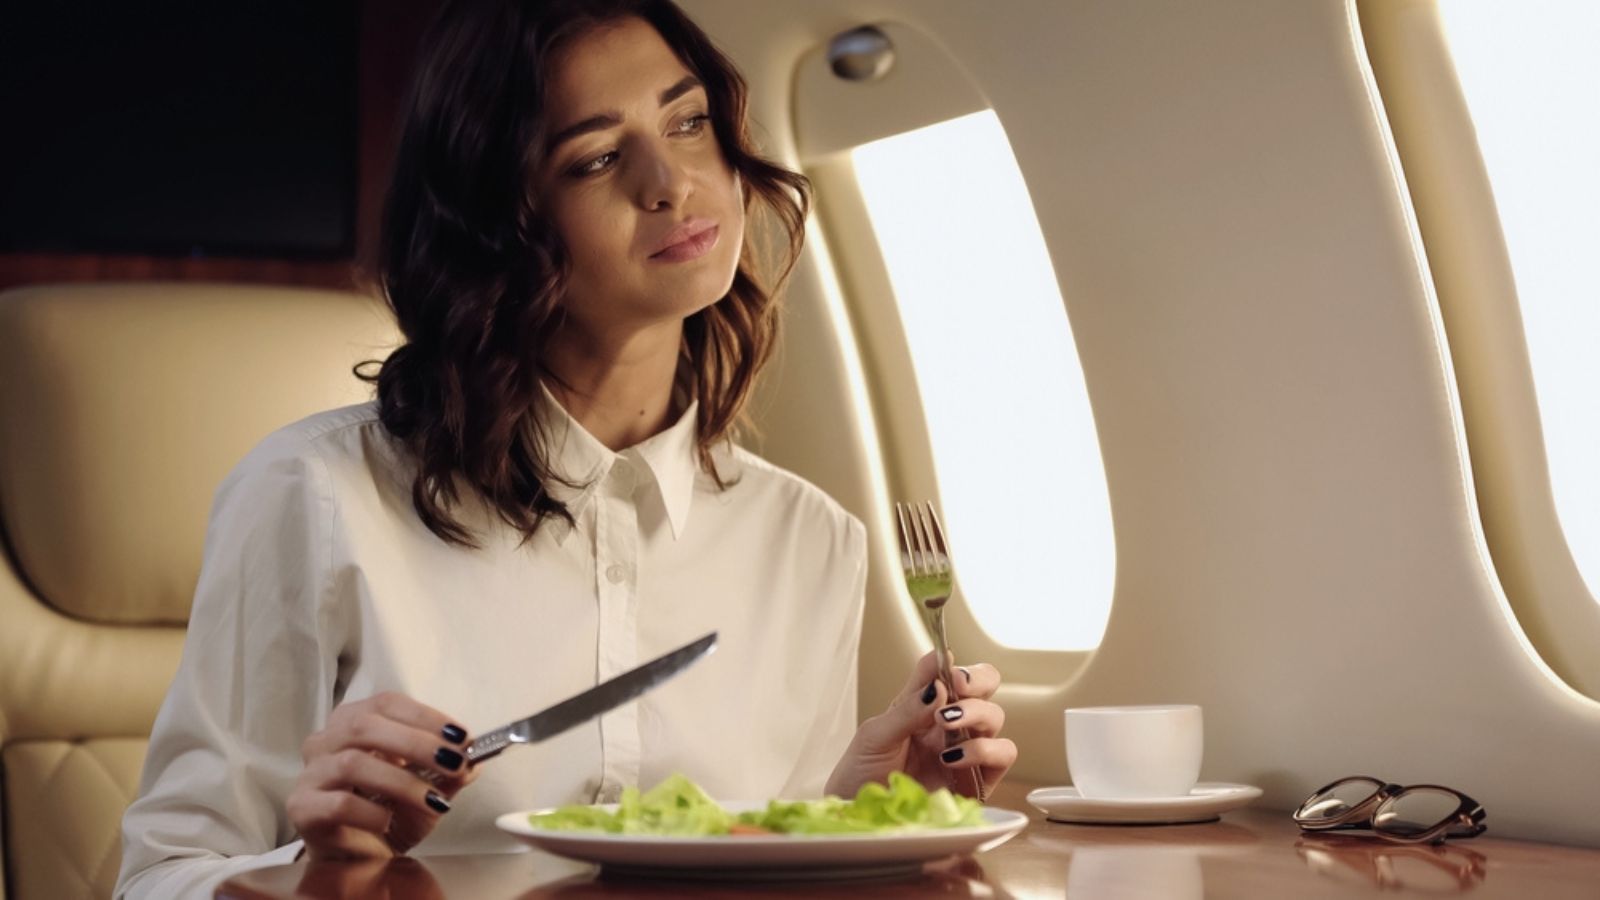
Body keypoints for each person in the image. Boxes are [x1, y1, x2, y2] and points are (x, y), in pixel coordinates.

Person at [115, 1, 1016, 896]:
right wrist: (322, 871)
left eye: (690, 121)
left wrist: (858, 818)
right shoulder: (311, 495)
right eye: (595, 158)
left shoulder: (811, 539)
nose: (670, 181)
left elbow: (753, 868)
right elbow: (160, 880)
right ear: (499, 224)